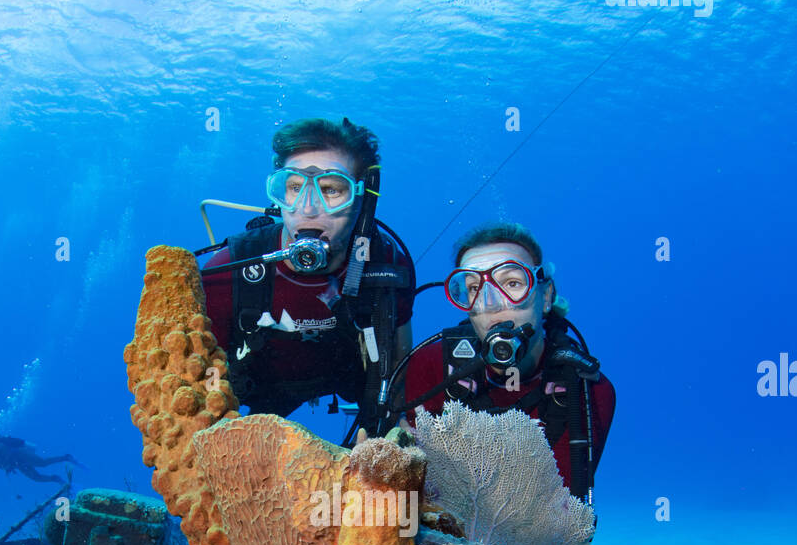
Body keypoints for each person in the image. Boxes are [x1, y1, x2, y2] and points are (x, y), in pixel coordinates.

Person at [200, 117, 414, 438]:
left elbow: (398, 377)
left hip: (350, 379)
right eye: (294, 187)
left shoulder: (388, 267)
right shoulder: (229, 268)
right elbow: (198, 382)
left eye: (330, 189)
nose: (308, 209)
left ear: (362, 199)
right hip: (261, 387)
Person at [399, 223, 616, 501]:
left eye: (512, 283)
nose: (490, 303)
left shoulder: (588, 390)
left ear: (546, 297)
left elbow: (562, 505)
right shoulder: (430, 366)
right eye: (474, 287)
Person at [0, 433, 80, 485]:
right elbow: (3, 465)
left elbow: (8, 453)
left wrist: (8, 465)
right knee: (36, 478)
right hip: (19, 464)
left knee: (43, 463)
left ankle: (66, 457)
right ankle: (56, 479)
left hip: (21, 455)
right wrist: (8, 468)